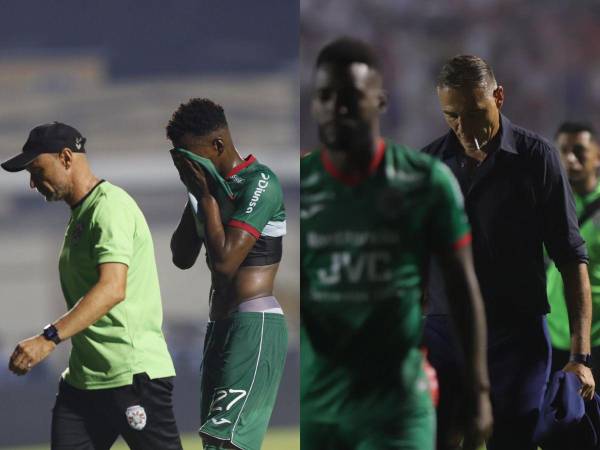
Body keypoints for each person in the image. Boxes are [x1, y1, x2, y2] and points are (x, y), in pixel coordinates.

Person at [301, 37, 491, 450]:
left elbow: (462, 291)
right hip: (320, 408)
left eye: (351, 96)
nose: (337, 107)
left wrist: (478, 393)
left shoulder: (425, 182)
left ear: (380, 101)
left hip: (397, 407)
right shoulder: (299, 187)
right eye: (325, 96)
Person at [422, 55, 595, 450]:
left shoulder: (538, 159)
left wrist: (580, 356)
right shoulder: (427, 166)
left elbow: (571, 259)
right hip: (443, 333)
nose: (462, 127)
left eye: (473, 112)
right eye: (451, 115)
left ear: (498, 97)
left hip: (515, 339)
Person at [1, 122, 182, 450]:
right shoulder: (82, 215)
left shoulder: (109, 207)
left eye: (37, 170)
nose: (32, 183)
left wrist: (48, 338)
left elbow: (113, 288)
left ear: (66, 157)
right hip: (84, 383)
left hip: (130, 375)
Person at [166, 98, 288, 450]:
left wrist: (206, 197)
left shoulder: (260, 182)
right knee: (213, 443)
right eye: (178, 157)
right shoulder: (206, 191)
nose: (184, 164)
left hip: (254, 326)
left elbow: (224, 263)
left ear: (217, 145)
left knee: (229, 444)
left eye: (189, 154)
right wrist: (197, 195)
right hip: (219, 327)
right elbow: (182, 256)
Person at [548, 121, 600, 385]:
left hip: (596, 340)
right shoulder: (547, 203)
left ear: (597, 154)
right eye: (564, 150)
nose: (570, 158)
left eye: (579, 150)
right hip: (553, 336)